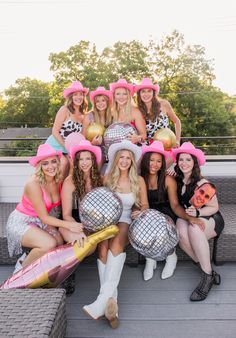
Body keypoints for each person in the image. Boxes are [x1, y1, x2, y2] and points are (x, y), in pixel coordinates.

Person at [83, 140, 149, 328]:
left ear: (132, 161)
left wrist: (141, 211)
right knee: (102, 248)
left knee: (116, 243)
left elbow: (145, 205)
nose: (125, 161)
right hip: (107, 221)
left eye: (128, 158)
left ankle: (101, 300)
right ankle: (111, 304)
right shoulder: (106, 178)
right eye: (122, 157)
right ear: (116, 159)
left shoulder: (139, 180)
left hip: (127, 220)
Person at [6, 144, 83, 273]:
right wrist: (69, 225)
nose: (50, 166)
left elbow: (73, 176)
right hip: (22, 221)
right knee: (49, 244)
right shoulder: (33, 184)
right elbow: (44, 217)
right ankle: (21, 270)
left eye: (53, 161)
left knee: (59, 242)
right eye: (45, 163)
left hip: (41, 220)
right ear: (39, 166)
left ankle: (39, 264)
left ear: (58, 162)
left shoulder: (58, 179)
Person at [140, 141, 201, 281]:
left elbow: (175, 206)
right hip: (148, 211)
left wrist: (188, 217)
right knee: (144, 223)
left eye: (158, 161)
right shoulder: (140, 178)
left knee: (161, 224)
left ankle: (171, 256)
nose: (154, 164)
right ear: (145, 161)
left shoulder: (168, 179)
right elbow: (140, 202)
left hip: (166, 211)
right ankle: (150, 259)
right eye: (151, 160)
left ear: (162, 163)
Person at [172, 142, 224, 301]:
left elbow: (215, 207)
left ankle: (207, 277)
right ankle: (208, 269)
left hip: (211, 218)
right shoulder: (179, 180)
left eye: (188, 160)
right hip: (190, 216)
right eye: (181, 159)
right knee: (180, 231)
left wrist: (198, 212)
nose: (184, 163)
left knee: (194, 228)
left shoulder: (202, 183)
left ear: (194, 163)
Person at [59, 139, 103, 294]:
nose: (84, 162)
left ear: (93, 160)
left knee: (90, 247)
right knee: (78, 241)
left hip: (91, 223)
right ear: (76, 162)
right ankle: (66, 275)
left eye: (88, 158)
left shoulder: (99, 180)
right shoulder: (69, 182)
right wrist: (76, 229)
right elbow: (66, 214)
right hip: (70, 222)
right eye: (80, 159)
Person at [46, 81, 89, 179]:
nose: (79, 97)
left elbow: (82, 137)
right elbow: (55, 131)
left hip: (69, 149)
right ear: (71, 97)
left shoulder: (84, 115)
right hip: (55, 145)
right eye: (75, 94)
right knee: (64, 162)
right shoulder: (65, 110)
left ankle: (65, 190)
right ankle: (55, 189)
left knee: (74, 164)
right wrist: (66, 148)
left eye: (81, 94)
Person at [134, 77, 181, 146]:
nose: (146, 94)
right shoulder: (137, 110)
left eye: (149, 91)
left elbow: (177, 122)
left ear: (153, 93)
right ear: (139, 94)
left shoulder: (163, 104)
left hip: (165, 145)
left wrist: (177, 140)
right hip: (146, 149)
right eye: (143, 91)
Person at [81, 86, 113, 165]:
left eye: (103, 100)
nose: (100, 103)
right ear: (94, 103)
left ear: (107, 102)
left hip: (111, 149)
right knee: (98, 157)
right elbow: (82, 138)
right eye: (97, 101)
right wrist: (92, 143)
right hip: (94, 148)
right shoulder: (89, 116)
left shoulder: (113, 116)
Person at [110, 78, 147, 144]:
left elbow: (144, 135)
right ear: (114, 96)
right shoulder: (111, 112)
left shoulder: (136, 112)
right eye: (118, 94)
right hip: (115, 148)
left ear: (129, 96)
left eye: (124, 94)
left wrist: (137, 138)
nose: (121, 97)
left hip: (133, 147)